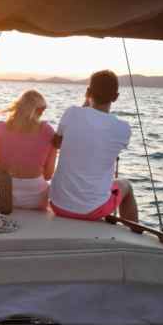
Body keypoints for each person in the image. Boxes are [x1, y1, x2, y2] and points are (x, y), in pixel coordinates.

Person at [49, 70, 138, 221]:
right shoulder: (123, 128)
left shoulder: (71, 113)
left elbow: (57, 143)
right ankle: (135, 231)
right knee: (126, 186)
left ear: (88, 92)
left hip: (58, 204)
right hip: (93, 210)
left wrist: (86, 102)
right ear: (116, 97)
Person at [0, 90, 56, 209]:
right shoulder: (47, 131)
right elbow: (48, 175)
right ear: (38, 111)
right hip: (36, 197)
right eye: (42, 110)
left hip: (4, 195)